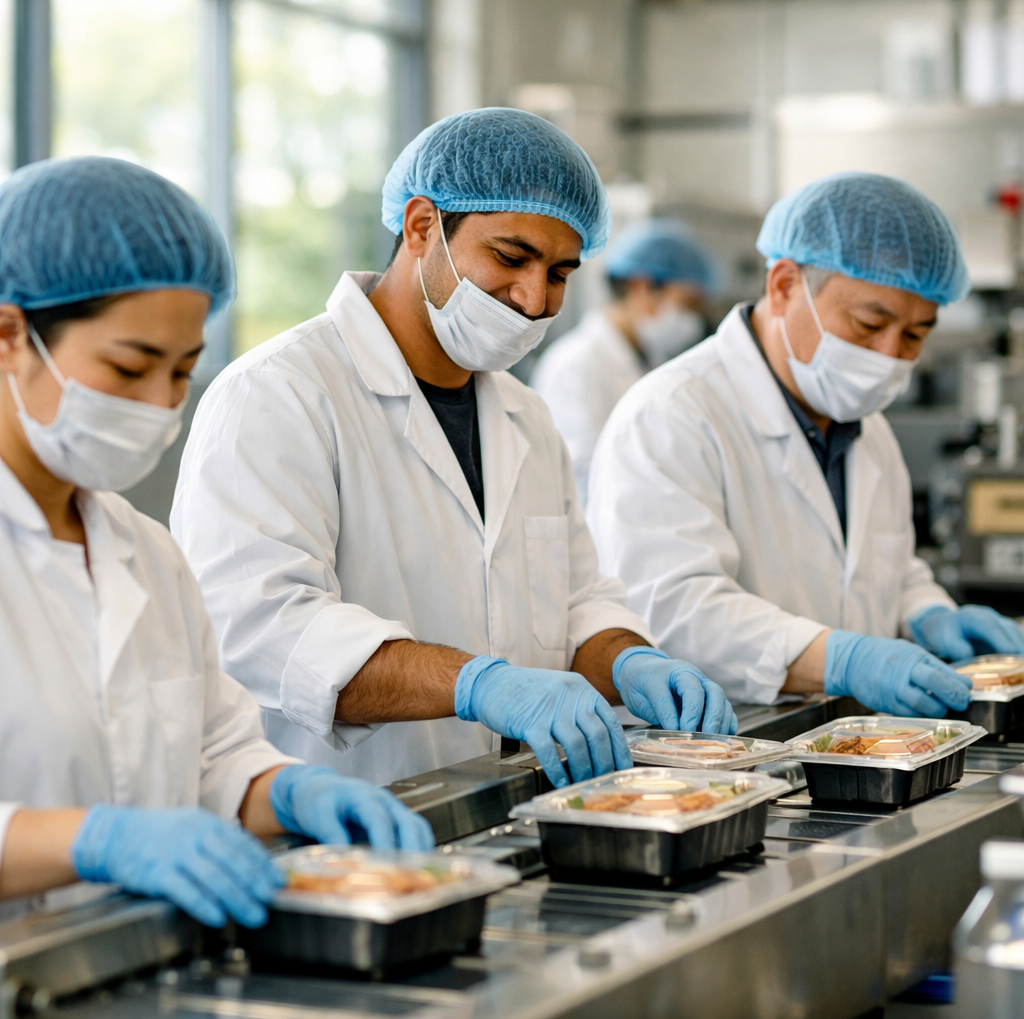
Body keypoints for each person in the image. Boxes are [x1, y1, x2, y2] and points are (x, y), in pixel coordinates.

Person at [171, 108, 737, 792]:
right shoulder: (277, 395)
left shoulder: (524, 415)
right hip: (337, 829)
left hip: (494, 819)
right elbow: (262, 630)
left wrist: (628, 662)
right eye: (510, 257)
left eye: (560, 272)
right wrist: (478, 684)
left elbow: (577, 602)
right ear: (420, 228)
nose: (534, 299)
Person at [0, 157, 433, 930]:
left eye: (181, 371)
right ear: (9, 336)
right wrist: (92, 841)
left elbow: (214, 758)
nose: (160, 405)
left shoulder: (146, 554)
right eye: (129, 367)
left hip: (131, 967)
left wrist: (289, 791)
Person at [587, 172, 1024, 717]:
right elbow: (675, 612)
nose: (889, 356)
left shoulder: (867, 425)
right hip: (711, 752)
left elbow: (885, 567)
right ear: (785, 286)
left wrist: (927, 613)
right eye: (870, 324)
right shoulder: (671, 414)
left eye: (914, 336)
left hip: (845, 751)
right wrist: (842, 659)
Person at [531, 218, 714, 506]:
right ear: (642, 287)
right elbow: (582, 484)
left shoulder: (650, 361)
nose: (692, 320)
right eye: (687, 304)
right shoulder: (575, 366)